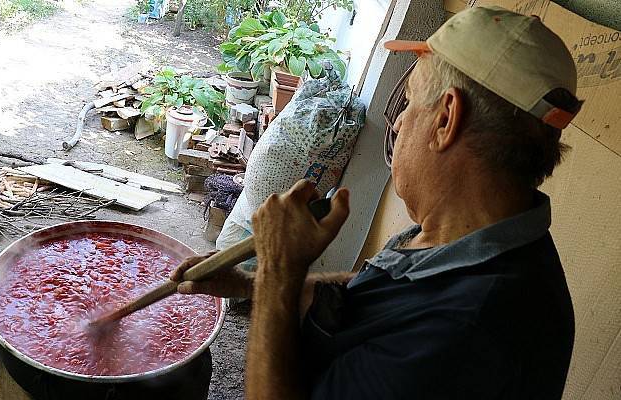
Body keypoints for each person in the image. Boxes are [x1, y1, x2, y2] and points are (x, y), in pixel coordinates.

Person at [171, 6, 582, 399]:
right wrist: (253, 283)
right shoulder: (462, 237)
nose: (400, 121)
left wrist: (280, 273)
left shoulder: (470, 330)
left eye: (411, 101)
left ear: (445, 120)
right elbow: (376, 296)